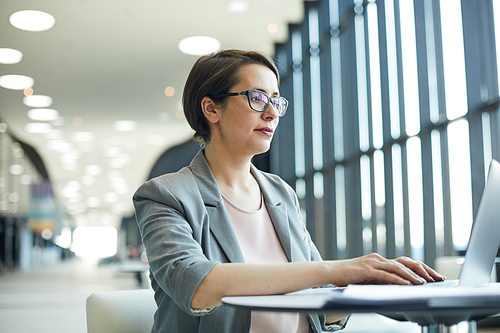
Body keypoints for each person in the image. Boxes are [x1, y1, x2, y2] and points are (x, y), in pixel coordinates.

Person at [133, 49, 445, 333]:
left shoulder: (280, 193)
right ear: (211, 109)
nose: (271, 113)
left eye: (276, 101)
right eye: (257, 98)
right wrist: (336, 270)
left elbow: (320, 303)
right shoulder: (165, 194)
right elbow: (198, 284)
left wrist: (366, 286)